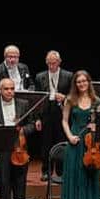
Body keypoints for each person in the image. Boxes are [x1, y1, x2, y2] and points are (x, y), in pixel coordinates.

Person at [60, 70, 100, 199]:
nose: (81, 84)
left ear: (89, 82)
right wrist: (70, 136)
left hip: (91, 144)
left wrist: (95, 126)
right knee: (75, 177)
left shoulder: (97, 101)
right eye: (78, 82)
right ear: (75, 84)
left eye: (84, 81)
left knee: (89, 177)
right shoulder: (70, 99)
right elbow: (64, 121)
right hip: (75, 142)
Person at [34, 50, 72, 181]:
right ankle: (46, 171)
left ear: (59, 62)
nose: (51, 66)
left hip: (62, 112)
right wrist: (37, 118)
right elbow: (37, 99)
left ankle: (61, 171)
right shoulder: (40, 77)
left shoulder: (68, 76)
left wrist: (65, 97)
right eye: (49, 63)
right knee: (46, 143)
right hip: (46, 112)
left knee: (61, 142)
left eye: (54, 63)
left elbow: (74, 96)